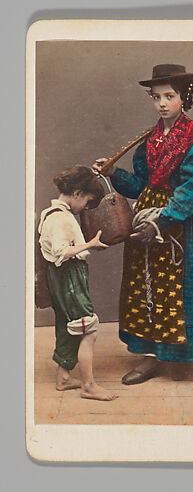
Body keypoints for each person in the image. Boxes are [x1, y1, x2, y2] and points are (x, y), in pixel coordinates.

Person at [93, 64, 193, 385]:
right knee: (145, 287)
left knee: (176, 288)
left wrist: (160, 223)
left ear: (185, 97)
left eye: (169, 96)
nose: (162, 103)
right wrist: (113, 173)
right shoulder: (149, 140)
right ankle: (150, 357)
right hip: (145, 218)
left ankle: (177, 357)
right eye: (156, 97)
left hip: (177, 222)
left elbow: (189, 193)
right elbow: (141, 185)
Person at [38, 165, 118, 401]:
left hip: (58, 278)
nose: (85, 207)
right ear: (76, 194)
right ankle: (88, 385)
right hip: (68, 277)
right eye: (86, 201)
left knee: (67, 326)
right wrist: (89, 245)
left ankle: (63, 378)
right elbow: (62, 252)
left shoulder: (48, 213)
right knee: (88, 329)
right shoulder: (61, 218)